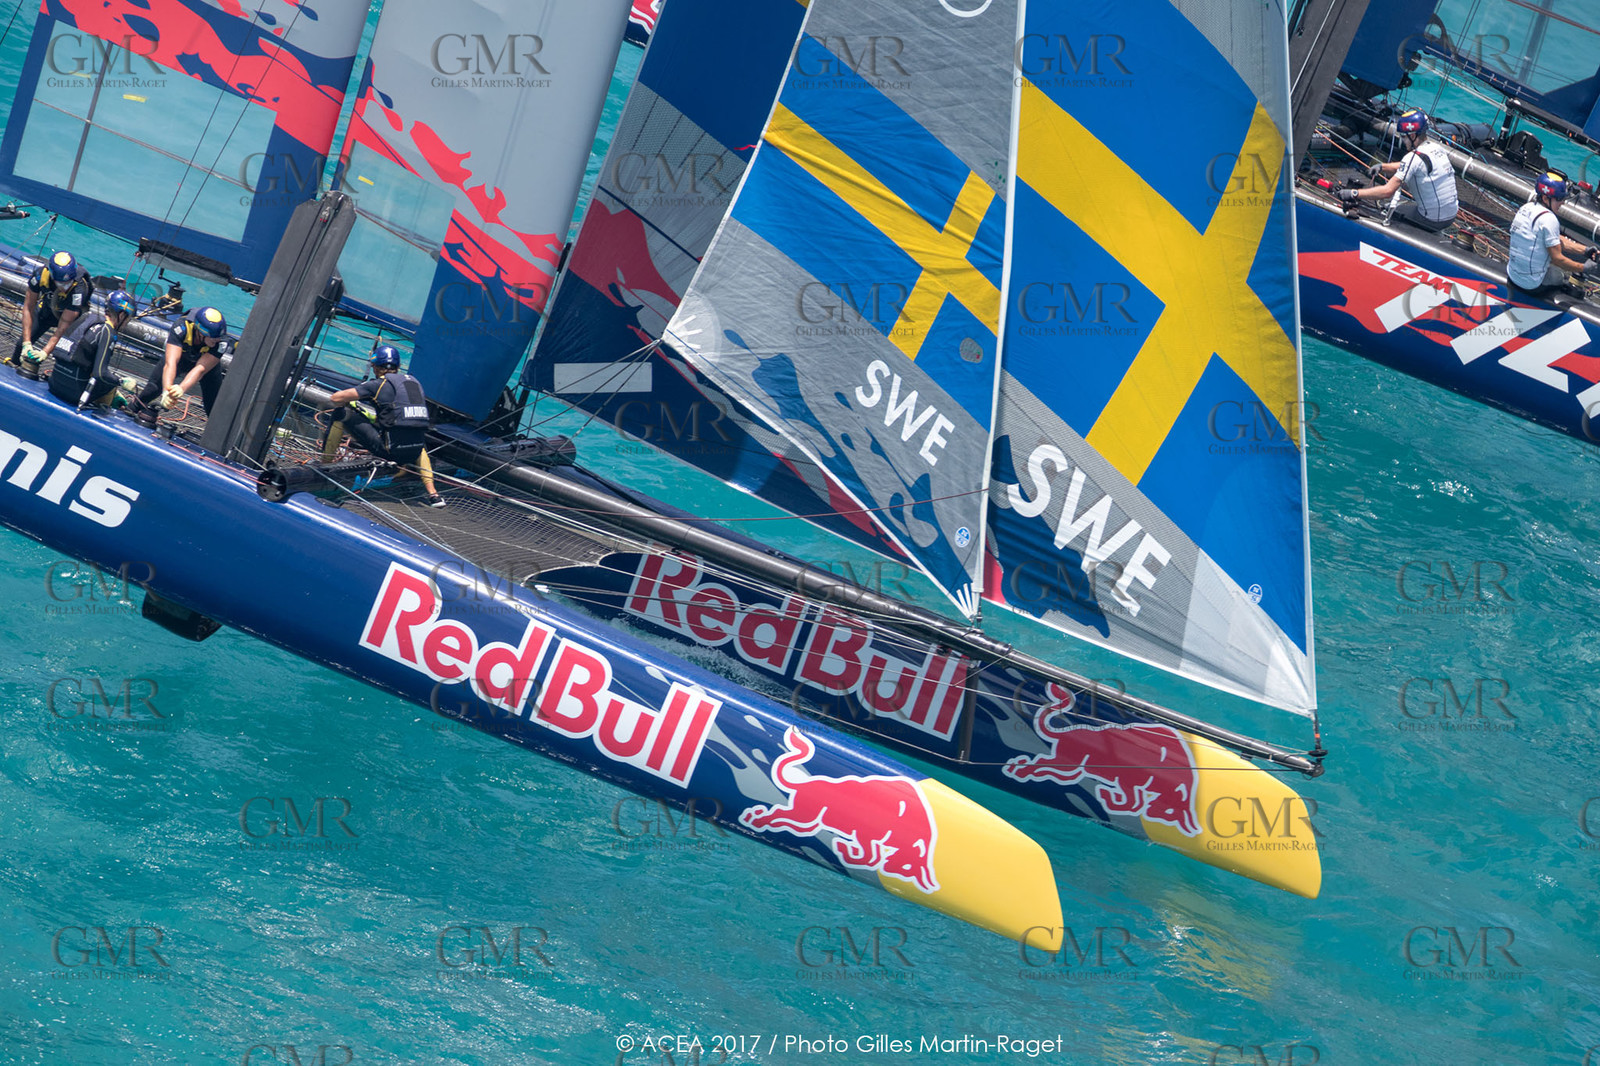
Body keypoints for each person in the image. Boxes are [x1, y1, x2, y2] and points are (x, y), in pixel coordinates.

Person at [321, 344, 445, 507]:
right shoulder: (413, 383)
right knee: (415, 436)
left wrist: (356, 397)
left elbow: (336, 398)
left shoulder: (377, 385)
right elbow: (396, 415)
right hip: (413, 452)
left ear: (375, 367)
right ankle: (434, 495)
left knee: (341, 414)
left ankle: (324, 467)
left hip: (390, 451)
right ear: (398, 366)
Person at [1336, 110, 1458, 231]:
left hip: (1431, 220)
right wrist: (1382, 167)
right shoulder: (1436, 148)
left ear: (1412, 136)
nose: (1403, 141)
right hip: (1451, 215)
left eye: (1404, 137)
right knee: (1401, 207)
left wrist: (1354, 193)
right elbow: (1411, 165)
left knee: (1389, 210)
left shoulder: (1413, 158)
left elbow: (1387, 191)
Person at [1506, 171, 1600, 299]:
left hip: (1512, 275)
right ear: (1545, 198)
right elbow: (1558, 259)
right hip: (1531, 285)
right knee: (1558, 274)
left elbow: (1555, 239)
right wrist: (1583, 268)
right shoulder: (1549, 219)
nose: (1563, 203)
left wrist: (1585, 250)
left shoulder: (1526, 208)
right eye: (1559, 199)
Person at [48, 289, 136, 408]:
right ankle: (104, 409)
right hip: (73, 394)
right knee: (110, 383)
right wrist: (121, 381)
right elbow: (100, 373)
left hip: (54, 383)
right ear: (121, 315)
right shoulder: (108, 332)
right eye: (128, 319)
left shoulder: (87, 317)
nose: (126, 324)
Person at [135, 305, 229, 414]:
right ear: (200, 332)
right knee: (153, 388)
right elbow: (171, 363)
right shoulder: (181, 327)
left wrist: (181, 388)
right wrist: (167, 392)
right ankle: (134, 407)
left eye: (219, 337)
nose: (217, 340)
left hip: (206, 367)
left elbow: (200, 369)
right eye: (214, 337)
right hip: (181, 358)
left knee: (214, 403)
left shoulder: (221, 342)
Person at [9, 251, 94, 369]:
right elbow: (28, 307)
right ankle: (13, 366)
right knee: (20, 345)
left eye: (69, 282)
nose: (66, 286)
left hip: (70, 321)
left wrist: (45, 352)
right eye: (61, 283)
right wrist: (26, 343)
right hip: (47, 310)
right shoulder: (40, 275)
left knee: (65, 356)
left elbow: (63, 326)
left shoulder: (79, 289)